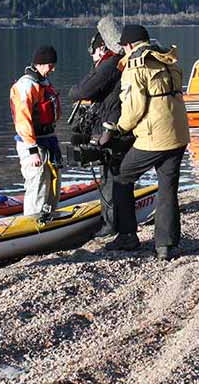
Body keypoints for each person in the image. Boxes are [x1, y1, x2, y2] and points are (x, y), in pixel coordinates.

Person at [104, 25, 190, 260]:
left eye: (123, 46)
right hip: (179, 133)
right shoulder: (167, 58)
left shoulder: (135, 66)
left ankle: (127, 236)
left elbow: (134, 108)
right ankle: (166, 244)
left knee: (122, 176)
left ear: (129, 45)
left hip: (155, 136)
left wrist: (118, 129)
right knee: (168, 186)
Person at [69, 17, 128, 237]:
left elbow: (82, 91)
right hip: (120, 124)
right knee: (114, 176)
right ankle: (116, 222)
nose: (92, 57)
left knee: (110, 178)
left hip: (111, 127)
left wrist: (73, 91)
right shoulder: (121, 61)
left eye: (93, 52)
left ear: (101, 47)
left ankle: (111, 224)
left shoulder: (110, 63)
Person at [10, 45, 62, 216]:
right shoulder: (25, 86)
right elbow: (23, 119)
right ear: (40, 64)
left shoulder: (44, 84)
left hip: (48, 139)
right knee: (37, 182)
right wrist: (32, 150)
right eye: (50, 66)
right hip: (32, 145)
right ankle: (33, 222)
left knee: (54, 181)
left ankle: (50, 217)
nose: (53, 69)